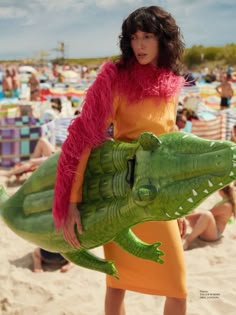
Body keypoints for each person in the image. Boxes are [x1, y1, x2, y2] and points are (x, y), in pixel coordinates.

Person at [53, 6, 187, 315]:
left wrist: (180, 206)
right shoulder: (115, 81)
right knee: (118, 282)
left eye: (147, 37)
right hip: (123, 192)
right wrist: (72, 201)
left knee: (178, 288)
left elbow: (170, 142)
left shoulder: (172, 83)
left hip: (160, 194)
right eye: (134, 37)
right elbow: (86, 141)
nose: (139, 45)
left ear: (163, 40)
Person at [183, 185, 236, 250]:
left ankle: (188, 241)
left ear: (220, 191)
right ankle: (179, 228)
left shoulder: (226, 205)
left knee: (207, 215)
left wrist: (185, 217)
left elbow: (207, 214)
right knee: (191, 208)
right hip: (206, 231)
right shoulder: (225, 201)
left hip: (213, 235)